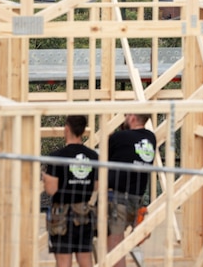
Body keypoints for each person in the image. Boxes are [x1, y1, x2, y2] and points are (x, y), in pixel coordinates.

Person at [43, 115, 99, 267]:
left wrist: (45, 178)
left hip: (61, 214)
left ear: (67, 129)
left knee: (63, 262)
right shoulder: (92, 156)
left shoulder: (57, 157)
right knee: (85, 260)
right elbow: (96, 185)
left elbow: (51, 189)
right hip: (84, 212)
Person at [106, 113, 157, 267]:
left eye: (126, 115)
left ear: (133, 117)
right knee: (120, 242)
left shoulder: (119, 137)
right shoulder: (151, 138)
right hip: (137, 199)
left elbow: (106, 161)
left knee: (115, 244)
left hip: (118, 198)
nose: (124, 118)